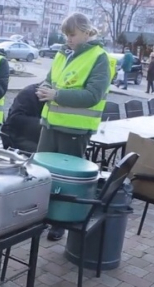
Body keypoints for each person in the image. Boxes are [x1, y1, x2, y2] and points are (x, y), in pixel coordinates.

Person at [35, 12, 111, 241]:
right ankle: (40, 216)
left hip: (75, 130)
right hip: (50, 124)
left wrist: (56, 95)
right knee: (43, 174)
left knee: (66, 182)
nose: (68, 38)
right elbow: (50, 78)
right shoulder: (62, 53)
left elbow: (92, 95)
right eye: (66, 34)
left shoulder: (99, 57)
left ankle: (59, 223)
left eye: (72, 34)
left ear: (87, 32)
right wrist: (44, 88)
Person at [0, 83, 45, 152]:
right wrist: (44, 125)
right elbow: (14, 119)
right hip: (17, 136)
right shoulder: (30, 93)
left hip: (38, 137)